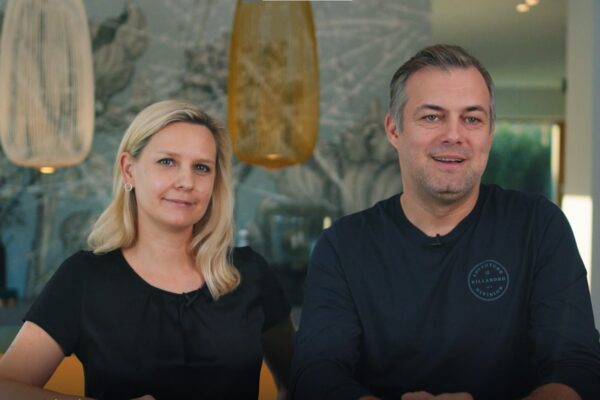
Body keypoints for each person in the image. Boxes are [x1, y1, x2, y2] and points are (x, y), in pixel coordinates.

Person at [290, 45, 600, 400]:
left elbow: (576, 365)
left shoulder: (539, 227)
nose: (454, 135)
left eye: (472, 118)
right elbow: (316, 373)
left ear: (489, 132)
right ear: (394, 129)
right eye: (432, 117)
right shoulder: (343, 245)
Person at [0, 100, 294, 399]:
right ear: (129, 170)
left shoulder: (250, 273)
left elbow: (299, 383)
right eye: (167, 162)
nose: (186, 182)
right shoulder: (84, 278)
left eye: (201, 168)